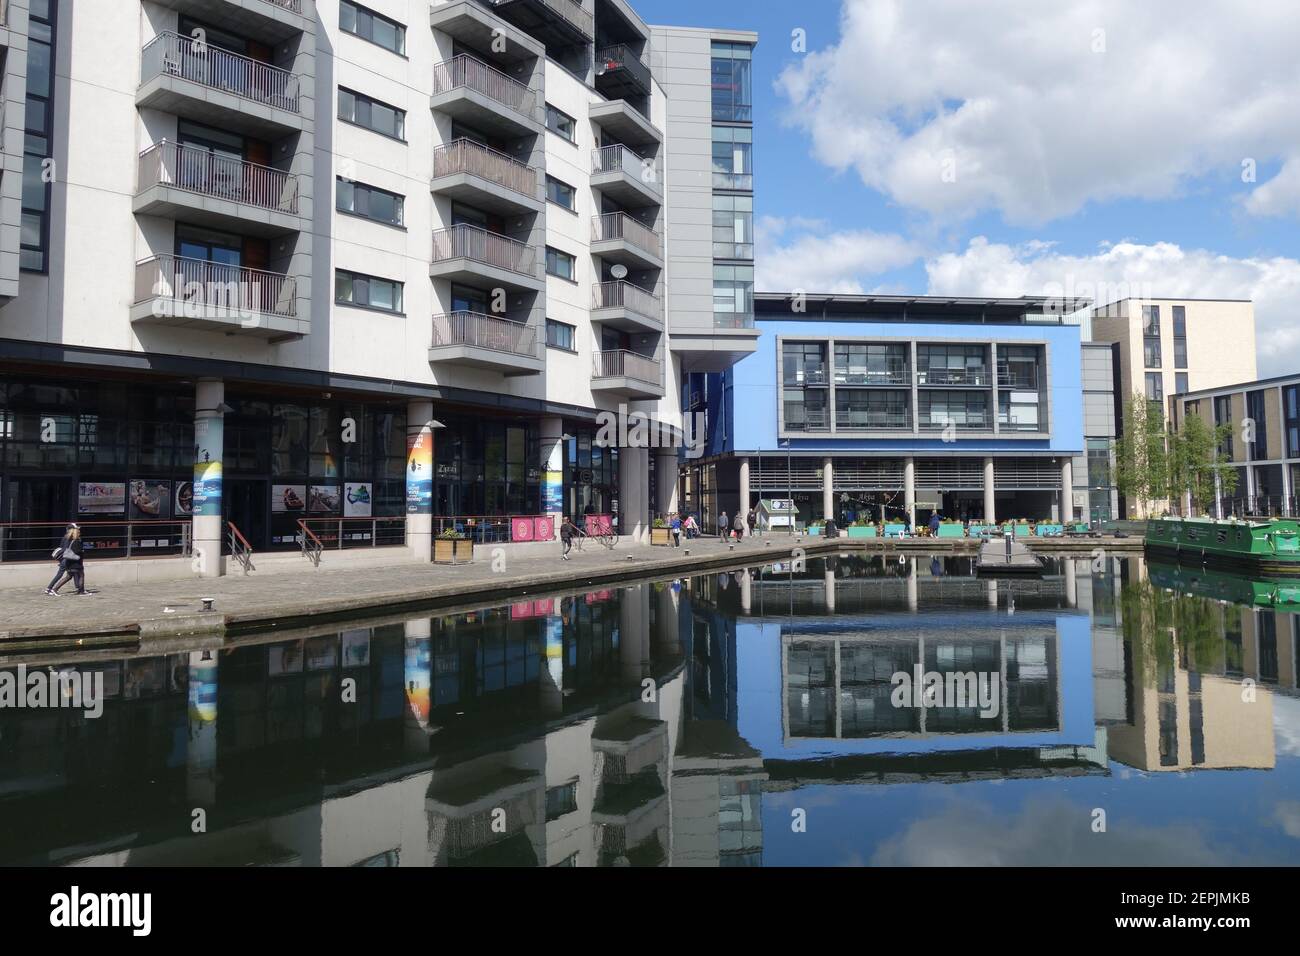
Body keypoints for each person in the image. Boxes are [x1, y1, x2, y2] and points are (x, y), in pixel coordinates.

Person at [46, 524, 89, 596]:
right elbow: (67, 549)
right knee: (63, 574)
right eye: (76, 529)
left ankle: (79, 588)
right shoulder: (69, 538)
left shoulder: (67, 537)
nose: (78, 531)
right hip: (67, 559)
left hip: (66, 558)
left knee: (73, 574)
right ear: (72, 530)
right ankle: (50, 588)